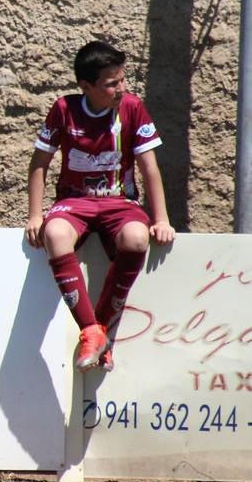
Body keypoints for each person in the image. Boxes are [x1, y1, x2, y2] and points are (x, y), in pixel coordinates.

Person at [26, 40, 174, 372]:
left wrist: (161, 218)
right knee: (54, 233)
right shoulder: (64, 109)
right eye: (111, 83)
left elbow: (149, 166)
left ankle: (99, 328)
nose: (121, 88)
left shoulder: (133, 107)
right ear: (86, 86)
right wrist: (35, 214)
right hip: (74, 202)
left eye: (122, 79)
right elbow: (39, 163)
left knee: (137, 238)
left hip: (119, 202)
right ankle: (91, 330)